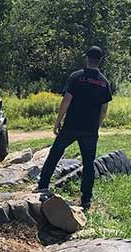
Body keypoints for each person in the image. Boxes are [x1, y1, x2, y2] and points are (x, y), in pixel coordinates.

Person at [37, 46, 112, 210]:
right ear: (100, 61)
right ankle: (86, 200)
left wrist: (58, 121)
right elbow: (104, 108)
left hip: (71, 126)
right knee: (88, 164)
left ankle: (43, 186)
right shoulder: (104, 83)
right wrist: (96, 127)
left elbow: (67, 100)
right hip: (90, 130)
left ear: (86, 58)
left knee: (55, 154)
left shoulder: (76, 77)